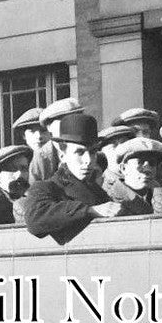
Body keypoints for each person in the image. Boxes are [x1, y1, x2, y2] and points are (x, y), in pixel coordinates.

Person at [23, 113, 123, 245]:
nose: (88, 161)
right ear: (62, 155)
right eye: (79, 152)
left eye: (92, 152)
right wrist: (90, 210)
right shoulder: (47, 188)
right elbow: (35, 219)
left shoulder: (99, 193)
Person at [105, 137, 162, 215]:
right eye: (140, 163)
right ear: (123, 168)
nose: (147, 169)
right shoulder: (108, 198)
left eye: (152, 163)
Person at [30, 97, 84, 183]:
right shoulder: (42, 156)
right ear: (49, 127)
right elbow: (34, 189)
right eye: (64, 122)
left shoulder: (90, 145)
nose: (70, 126)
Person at [97, 124, 139, 196]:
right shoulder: (99, 184)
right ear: (102, 152)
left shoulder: (142, 179)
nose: (121, 150)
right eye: (114, 145)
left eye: (124, 145)